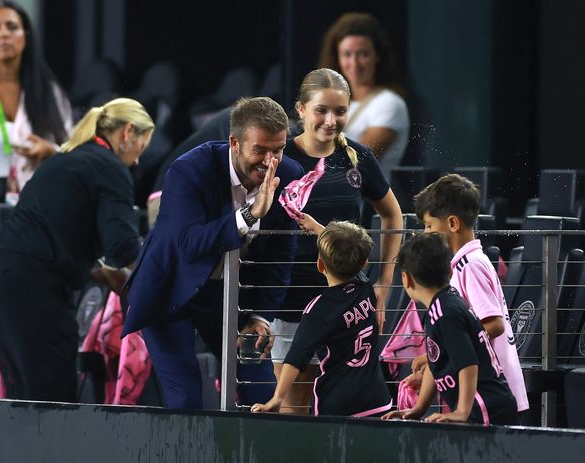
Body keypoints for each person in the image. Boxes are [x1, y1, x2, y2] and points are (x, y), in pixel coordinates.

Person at [121, 97, 304, 410]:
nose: (270, 161)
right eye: (260, 150)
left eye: (278, 149)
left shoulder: (288, 174)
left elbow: (281, 253)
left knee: (261, 393)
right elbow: (189, 245)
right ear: (234, 143)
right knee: (186, 398)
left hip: (228, 294)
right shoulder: (189, 169)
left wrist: (260, 317)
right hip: (170, 289)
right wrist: (249, 214)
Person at [0, 97, 154, 401]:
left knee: (21, 396)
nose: (138, 161)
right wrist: (163, 272)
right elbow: (123, 247)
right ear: (128, 133)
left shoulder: (65, 159)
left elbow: (56, 229)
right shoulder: (110, 167)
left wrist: (99, 272)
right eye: (142, 147)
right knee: (53, 400)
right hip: (33, 291)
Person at [270, 68, 403, 414]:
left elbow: (394, 216)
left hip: (349, 304)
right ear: (300, 110)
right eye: (321, 110)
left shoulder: (358, 157)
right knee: (294, 406)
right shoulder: (278, 157)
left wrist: (384, 287)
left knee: (346, 406)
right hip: (290, 302)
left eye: (340, 111)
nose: (331, 120)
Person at [408, 173, 529, 414]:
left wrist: (451, 350)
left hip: (493, 391)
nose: (425, 233)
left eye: (429, 226)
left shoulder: (469, 266)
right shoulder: (464, 263)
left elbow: (493, 324)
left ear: (452, 224)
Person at [252, 221, 392, 417]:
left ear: (319, 265)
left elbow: (296, 357)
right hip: (377, 399)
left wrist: (277, 397)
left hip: (337, 404)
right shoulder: (367, 289)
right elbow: (353, 259)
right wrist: (318, 228)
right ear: (364, 264)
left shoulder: (320, 308)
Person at [383, 233, 518, 425]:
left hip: (485, 406)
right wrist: (419, 408)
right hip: (483, 405)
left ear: (406, 279)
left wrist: (462, 411)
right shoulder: (442, 305)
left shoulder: (445, 313)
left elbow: (468, 364)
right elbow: (435, 362)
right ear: (450, 270)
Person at [0, 1, 72, 203]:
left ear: (26, 36)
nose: (4, 34)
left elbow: (73, 150)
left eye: (12, 27)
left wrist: (52, 152)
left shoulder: (49, 92)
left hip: (39, 201)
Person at [318, 12, 409, 180]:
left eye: (363, 54)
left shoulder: (389, 103)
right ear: (337, 58)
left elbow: (355, 160)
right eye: (347, 54)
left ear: (378, 56)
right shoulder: (333, 102)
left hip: (366, 204)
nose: (354, 63)